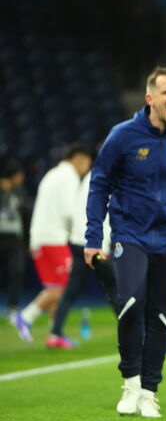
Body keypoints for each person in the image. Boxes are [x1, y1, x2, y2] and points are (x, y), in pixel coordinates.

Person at [85, 66, 166, 418]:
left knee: (160, 316)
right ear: (150, 98)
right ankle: (130, 384)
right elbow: (99, 184)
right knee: (130, 302)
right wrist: (93, 236)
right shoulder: (123, 136)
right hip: (130, 233)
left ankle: (148, 392)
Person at [13, 144, 93, 346]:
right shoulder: (69, 177)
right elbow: (69, 211)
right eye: (87, 162)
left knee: (55, 286)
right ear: (79, 158)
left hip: (39, 237)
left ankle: (54, 334)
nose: (87, 167)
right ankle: (26, 316)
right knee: (62, 286)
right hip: (54, 237)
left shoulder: (52, 174)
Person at [48, 166, 120, 347]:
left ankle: (55, 333)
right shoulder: (110, 176)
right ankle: (133, 333)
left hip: (78, 241)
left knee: (72, 290)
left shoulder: (89, 176)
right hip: (96, 248)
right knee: (113, 288)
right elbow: (107, 212)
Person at [0, 159, 27, 321]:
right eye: (19, 175)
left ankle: (13, 307)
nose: (21, 178)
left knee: (17, 272)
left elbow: (25, 213)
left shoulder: (19, 192)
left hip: (15, 238)